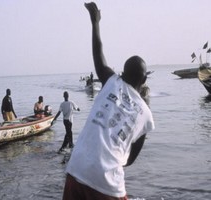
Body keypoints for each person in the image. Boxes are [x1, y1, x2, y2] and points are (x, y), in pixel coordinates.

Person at [62, 3, 155, 200]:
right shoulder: (146, 114)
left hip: (77, 169)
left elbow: (98, 53)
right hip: (107, 184)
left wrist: (95, 22)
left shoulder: (112, 81)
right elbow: (129, 161)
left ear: (122, 73)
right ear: (144, 80)